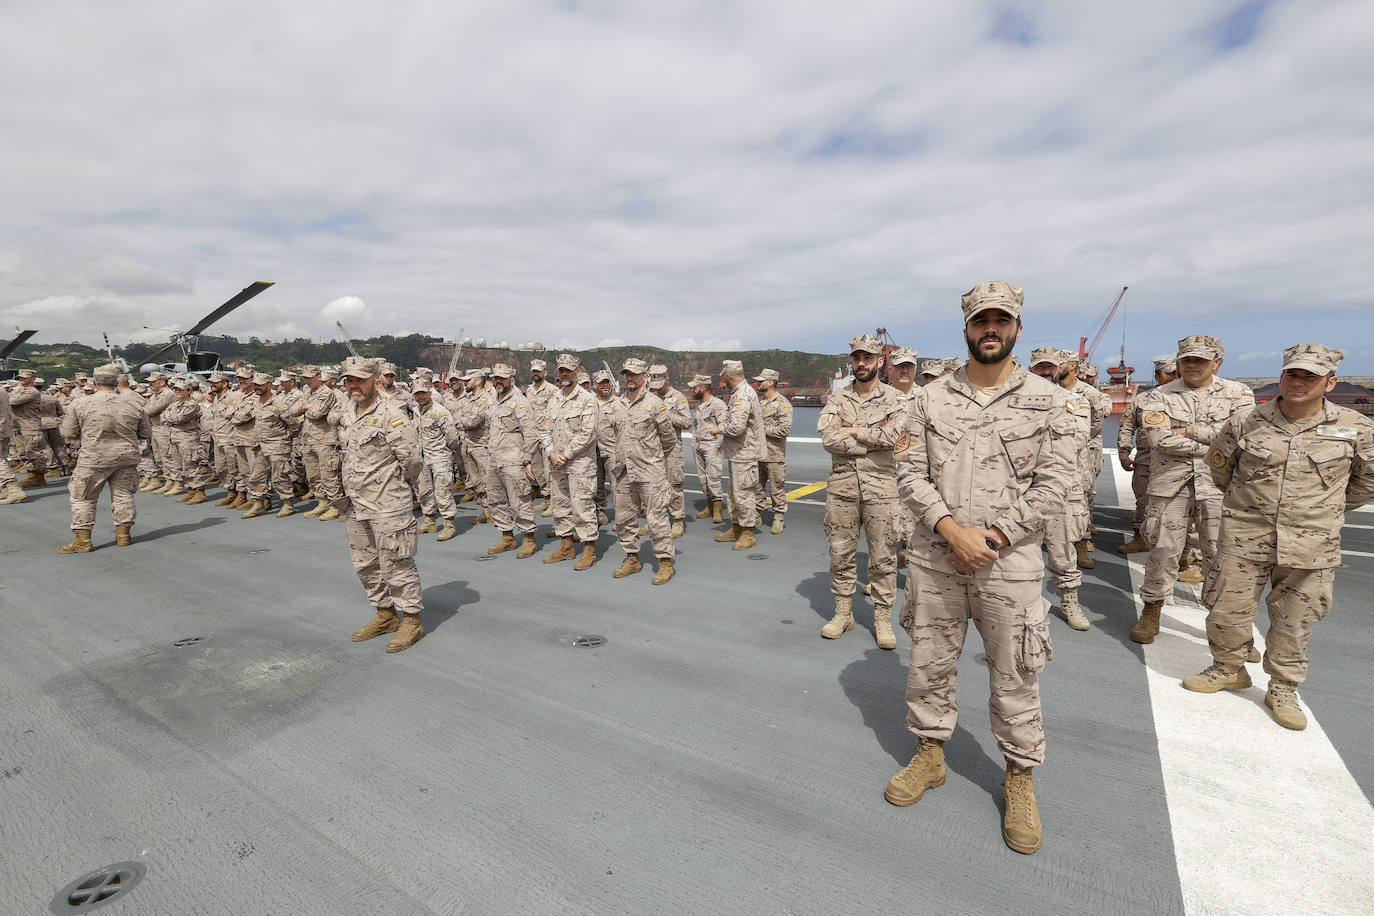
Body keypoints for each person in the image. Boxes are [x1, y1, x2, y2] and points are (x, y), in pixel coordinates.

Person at [885, 281, 1075, 856]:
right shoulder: (926, 399)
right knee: (927, 662)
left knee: (1016, 673)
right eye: (980, 320)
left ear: (1017, 328)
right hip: (936, 556)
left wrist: (989, 537)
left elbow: (1059, 481)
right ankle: (931, 753)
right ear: (965, 328)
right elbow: (908, 473)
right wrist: (950, 530)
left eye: (1001, 320)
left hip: (1009, 563)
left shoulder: (1050, 400)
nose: (990, 328)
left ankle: (1018, 778)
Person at [1182, 345, 1374, 729]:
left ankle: (1283, 687)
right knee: (1227, 607)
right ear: (1282, 377)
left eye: (1310, 377)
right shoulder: (1245, 422)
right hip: (1245, 534)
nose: (1299, 383)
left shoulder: (1356, 427)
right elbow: (1221, 471)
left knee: (1295, 618)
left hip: (1311, 542)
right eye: (1292, 375)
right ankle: (1228, 667)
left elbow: (1366, 482)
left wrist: (1323, 509)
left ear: (1330, 382)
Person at [1131, 335, 1255, 644]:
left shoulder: (1239, 394)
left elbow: (1244, 437)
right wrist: (1215, 444)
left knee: (1220, 554)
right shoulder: (1157, 396)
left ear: (1217, 361)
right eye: (1187, 360)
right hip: (1170, 485)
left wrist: (1190, 431)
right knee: (1163, 549)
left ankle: (1224, 624)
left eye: (1200, 360)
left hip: (1219, 486)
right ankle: (1153, 609)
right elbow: (1159, 440)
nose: (1192, 365)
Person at [818, 335, 907, 647]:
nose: (861, 363)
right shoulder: (837, 398)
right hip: (842, 487)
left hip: (882, 489)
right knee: (840, 552)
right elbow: (829, 438)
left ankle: (882, 619)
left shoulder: (896, 399)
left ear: (880, 361)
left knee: (883, 556)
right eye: (857, 357)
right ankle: (844, 612)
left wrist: (854, 431)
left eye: (868, 357)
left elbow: (896, 436)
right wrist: (872, 439)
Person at [336, 357, 427, 653]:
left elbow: (412, 460)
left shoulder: (392, 413)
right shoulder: (348, 412)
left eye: (359, 380)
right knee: (365, 564)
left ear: (375, 380)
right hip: (356, 504)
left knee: (396, 564)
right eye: (349, 380)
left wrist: (399, 487)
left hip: (388, 503)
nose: (353, 385)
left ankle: (412, 620)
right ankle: (385, 615)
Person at [1028, 348, 1096, 630]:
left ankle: (1069, 601)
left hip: (1058, 488)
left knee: (1062, 549)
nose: (1045, 371)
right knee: (1021, 552)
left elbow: (1076, 440)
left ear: (1058, 369)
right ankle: (1025, 604)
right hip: (1022, 489)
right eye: (1039, 367)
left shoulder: (1075, 402)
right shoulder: (1013, 401)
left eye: (1050, 367)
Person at [56, 363, 152, 552]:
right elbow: (146, 432)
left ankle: (83, 541)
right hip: (126, 457)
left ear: (94, 382)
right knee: (123, 495)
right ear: (116, 382)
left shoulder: (81, 402)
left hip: (94, 457)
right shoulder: (134, 403)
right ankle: (123, 536)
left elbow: (68, 433)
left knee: (83, 497)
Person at [609, 358, 677, 584]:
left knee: (656, 519)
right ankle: (632, 558)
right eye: (626, 374)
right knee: (624, 518)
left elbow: (668, 439)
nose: (630, 378)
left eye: (634, 374)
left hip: (650, 471)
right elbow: (612, 435)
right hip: (624, 471)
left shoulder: (655, 403)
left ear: (644, 376)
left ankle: (665, 562)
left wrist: (651, 458)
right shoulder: (616, 404)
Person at [540, 354, 601, 570]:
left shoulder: (587, 399)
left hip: (579, 465)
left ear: (576, 372)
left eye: (568, 370)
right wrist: (550, 453)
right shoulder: (554, 399)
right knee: (561, 506)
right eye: (561, 370)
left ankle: (589, 550)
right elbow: (544, 429)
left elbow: (588, 433)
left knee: (582, 506)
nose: (564, 374)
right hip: (556, 464)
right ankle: (566, 546)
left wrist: (564, 454)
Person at [1117, 357, 1179, 553]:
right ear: (1157, 377)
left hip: (1178, 462)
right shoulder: (1142, 400)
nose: (1173, 377)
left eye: (1176, 373)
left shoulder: (1190, 399)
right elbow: (1127, 426)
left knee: (1179, 505)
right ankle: (1140, 538)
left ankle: (1181, 548)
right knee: (1143, 501)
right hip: (1147, 460)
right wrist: (1124, 453)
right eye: (1168, 373)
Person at [483, 363, 541, 558]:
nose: (498, 381)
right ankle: (507, 537)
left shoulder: (520, 401)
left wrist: (526, 460)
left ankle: (529, 539)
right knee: (495, 499)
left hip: (514, 460)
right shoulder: (491, 399)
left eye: (502, 378)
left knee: (519, 500)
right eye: (495, 378)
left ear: (511, 380)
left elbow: (531, 434)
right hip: (494, 459)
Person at [712, 359, 765, 549]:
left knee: (743, 494)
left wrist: (718, 429)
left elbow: (736, 428)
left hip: (745, 453)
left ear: (728, 375)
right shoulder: (738, 392)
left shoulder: (743, 394)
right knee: (734, 494)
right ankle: (736, 528)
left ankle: (748, 533)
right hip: (737, 453)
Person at [412, 380, 461, 540]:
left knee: (443, 491)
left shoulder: (441, 412)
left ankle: (449, 524)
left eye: (423, 393)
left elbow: (452, 436)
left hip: (439, 456)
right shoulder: (415, 411)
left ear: (429, 393)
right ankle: (429, 521)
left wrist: (449, 450)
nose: (420, 397)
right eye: (417, 394)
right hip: (422, 458)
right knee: (424, 490)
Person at [648, 365, 692, 538]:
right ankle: (657, 521)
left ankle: (678, 520)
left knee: (674, 484)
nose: (657, 388)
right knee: (653, 487)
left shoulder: (678, 397)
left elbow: (687, 422)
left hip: (672, 448)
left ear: (667, 380)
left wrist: (665, 414)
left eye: (660, 384)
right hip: (652, 448)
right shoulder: (649, 397)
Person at [754, 368, 793, 535]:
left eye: (761, 381)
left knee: (777, 487)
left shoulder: (783, 403)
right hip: (757, 453)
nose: (758, 383)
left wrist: (762, 430)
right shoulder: (758, 402)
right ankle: (757, 513)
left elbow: (784, 430)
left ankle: (778, 517)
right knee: (756, 486)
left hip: (774, 454)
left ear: (770, 383)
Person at [690, 374, 726, 523]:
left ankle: (717, 509)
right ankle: (709, 506)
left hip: (711, 445)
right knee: (703, 478)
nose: (693, 390)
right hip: (698, 445)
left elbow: (724, 424)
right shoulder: (699, 406)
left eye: (695, 387)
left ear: (703, 388)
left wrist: (717, 445)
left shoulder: (718, 404)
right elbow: (697, 425)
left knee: (713, 477)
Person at [162, 379, 206, 503]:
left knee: (190, 465)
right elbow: (162, 418)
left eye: (181, 389)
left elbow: (180, 418)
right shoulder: (175, 404)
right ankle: (191, 490)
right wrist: (168, 416)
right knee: (179, 466)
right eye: (176, 389)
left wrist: (168, 416)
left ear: (189, 391)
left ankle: (199, 491)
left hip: (188, 439)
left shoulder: (192, 405)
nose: (177, 391)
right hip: (174, 438)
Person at [591, 369, 620, 526]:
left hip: (612, 450)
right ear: (595, 384)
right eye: (601, 382)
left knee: (618, 485)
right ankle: (600, 511)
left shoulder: (618, 403)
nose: (605, 385)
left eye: (607, 382)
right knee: (596, 484)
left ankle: (621, 517)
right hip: (593, 451)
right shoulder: (589, 402)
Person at [0, 381, 25, 505]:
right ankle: (5, 489)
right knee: (2, 458)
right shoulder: (2, 390)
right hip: (4, 429)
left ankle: (13, 487)